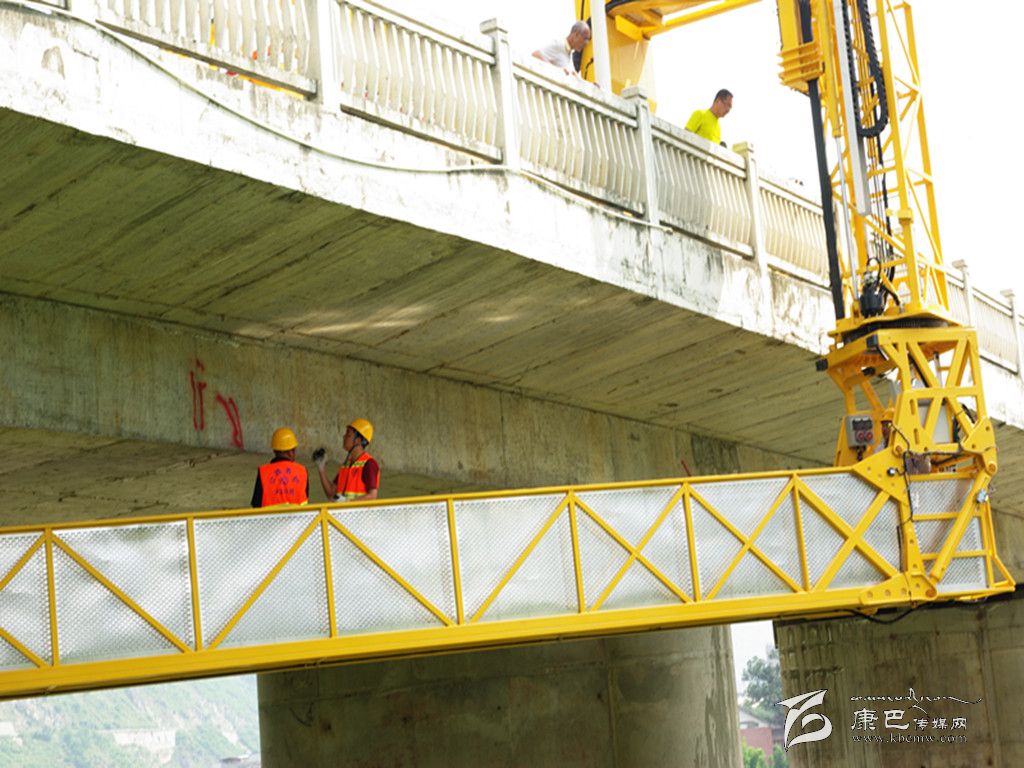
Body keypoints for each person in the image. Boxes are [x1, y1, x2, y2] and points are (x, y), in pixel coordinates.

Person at [313, 418, 380, 502]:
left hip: (356, 511)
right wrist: (321, 469)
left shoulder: (369, 464)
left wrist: (347, 502)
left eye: (348, 434)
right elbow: (331, 493)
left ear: (358, 440)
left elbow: (372, 495)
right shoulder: (346, 466)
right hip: (345, 510)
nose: (344, 436)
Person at [251, 427, 309, 507]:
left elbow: (256, 503)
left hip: (270, 515)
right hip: (298, 515)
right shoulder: (302, 471)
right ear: (291, 452)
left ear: (274, 450)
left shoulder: (263, 472)